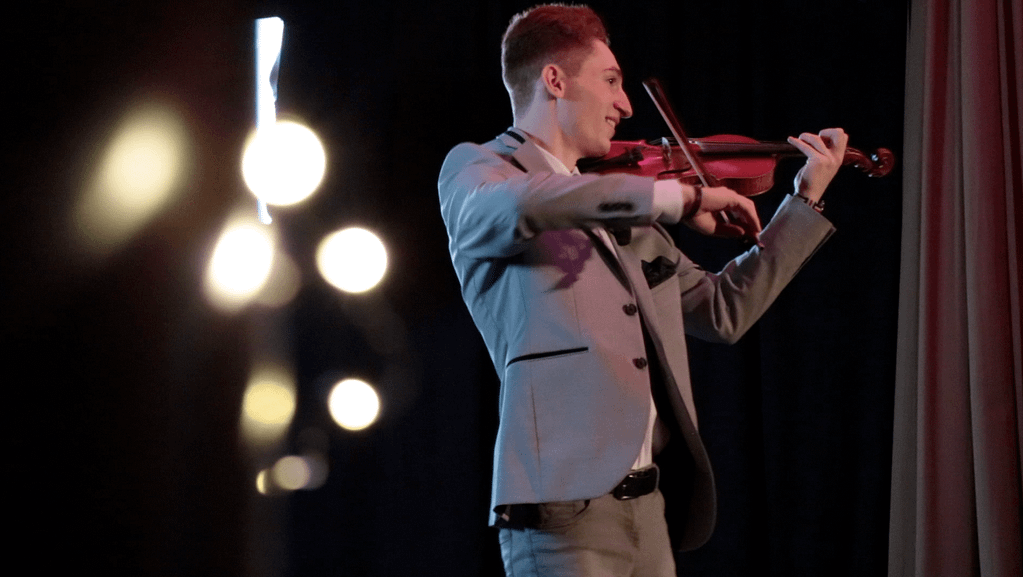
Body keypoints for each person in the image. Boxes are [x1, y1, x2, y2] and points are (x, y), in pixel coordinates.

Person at [437, 4, 847, 576]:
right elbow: (526, 205)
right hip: (563, 511)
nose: (626, 105)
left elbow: (723, 311)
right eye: (610, 81)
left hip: (651, 511)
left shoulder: (621, 203)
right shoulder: (481, 171)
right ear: (554, 80)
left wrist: (802, 202)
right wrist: (678, 199)